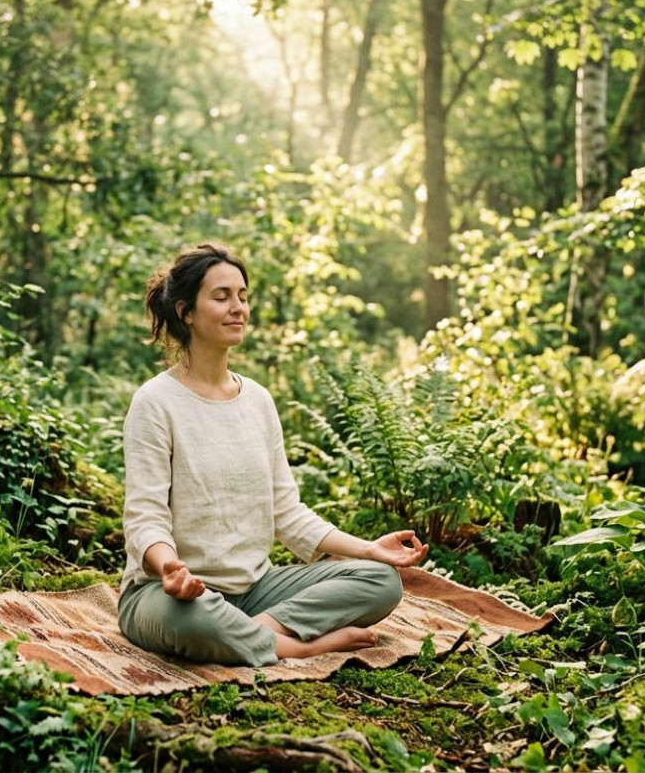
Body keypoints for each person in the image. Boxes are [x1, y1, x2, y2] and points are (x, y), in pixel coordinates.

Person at [117, 242, 430, 666]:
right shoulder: (155, 402)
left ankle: (250, 633)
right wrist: (170, 569)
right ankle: (295, 645)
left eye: (243, 297)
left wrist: (370, 550)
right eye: (222, 296)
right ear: (185, 311)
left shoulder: (258, 401)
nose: (238, 308)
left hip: (256, 589)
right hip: (172, 596)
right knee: (192, 619)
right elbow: (145, 516)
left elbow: (288, 513)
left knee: (381, 582)